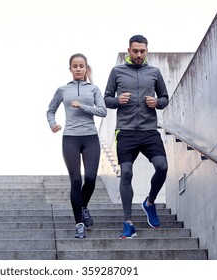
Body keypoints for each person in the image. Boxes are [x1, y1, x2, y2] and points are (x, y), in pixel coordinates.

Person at [104, 35, 169, 238]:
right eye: (135, 51)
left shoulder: (154, 72)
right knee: (127, 172)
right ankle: (128, 222)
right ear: (129, 51)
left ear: (146, 50)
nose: (139, 54)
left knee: (162, 166)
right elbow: (106, 99)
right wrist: (118, 101)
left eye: (142, 51)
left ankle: (149, 202)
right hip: (126, 131)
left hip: (149, 131)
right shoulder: (117, 72)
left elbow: (165, 98)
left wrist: (157, 103)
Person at [47, 53, 107, 239]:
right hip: (70, 138)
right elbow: (50, 110)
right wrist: (52, 124)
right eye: (75, 66)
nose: (78, 69)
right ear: (70, 69)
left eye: (82, 66)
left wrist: (82, 107)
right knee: (75, 180)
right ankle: (79, 223)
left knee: (90, 178)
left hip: (90, 138)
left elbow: (103, 111)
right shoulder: (63, 90)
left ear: (86, 68)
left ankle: (83, 207)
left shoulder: (94, 89)